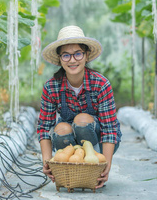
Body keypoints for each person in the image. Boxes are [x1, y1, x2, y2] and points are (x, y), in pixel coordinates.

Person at [37, 25, 122, 189]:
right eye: (66, 55)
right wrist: (47, 161)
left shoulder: (101, 84)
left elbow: (110, 128)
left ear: (86, 55)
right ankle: (70, 173)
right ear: (60, 59)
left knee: (82, 120)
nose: (72, 60)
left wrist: (106, 164)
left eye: (77, 54)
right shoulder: (51, 87)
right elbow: (43, 127)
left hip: (97, 141)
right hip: (70, 142)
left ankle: (94, 171)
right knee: (61, 128)